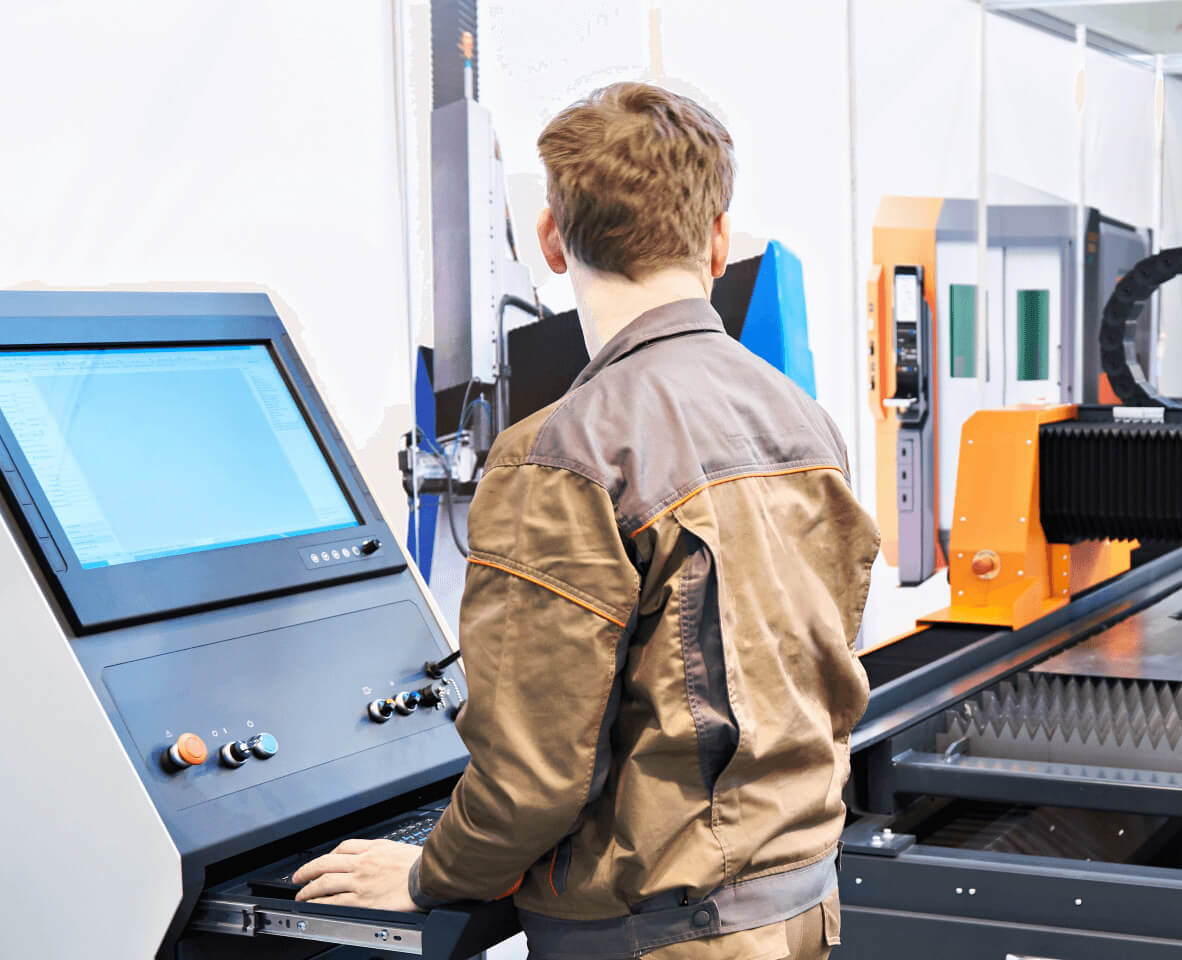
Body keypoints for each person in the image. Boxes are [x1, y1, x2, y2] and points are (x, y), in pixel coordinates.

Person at [289, 82, 879, 960]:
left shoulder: (561, 454)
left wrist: (428, 874)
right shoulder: (803, 421)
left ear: (551, 240)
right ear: (718, 240)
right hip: (800, 906)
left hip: (666, 936)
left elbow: (533, 778)